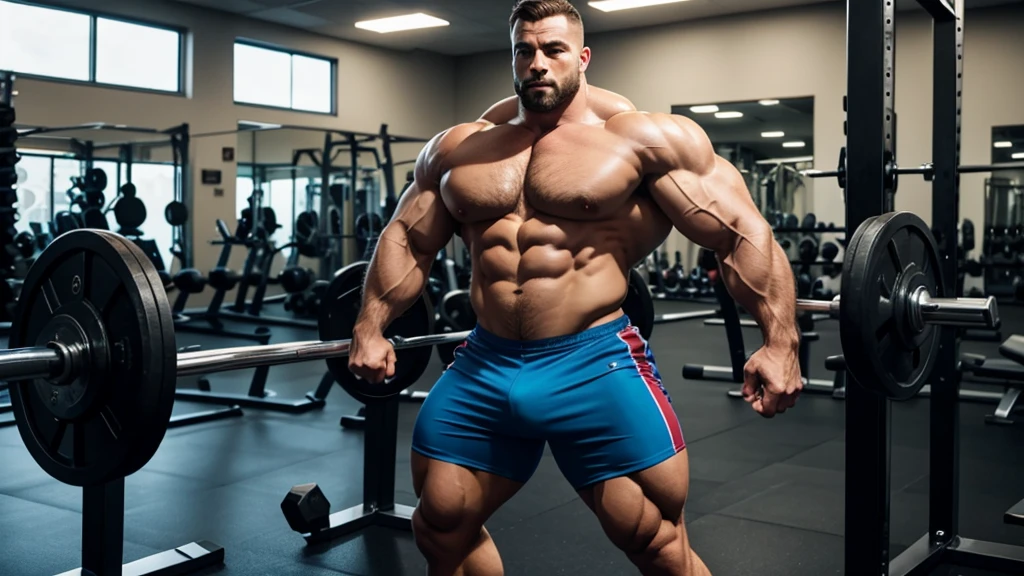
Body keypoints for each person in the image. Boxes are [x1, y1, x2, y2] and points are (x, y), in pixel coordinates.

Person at [347, 1, 803, 574]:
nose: (537, 63)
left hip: (592, 363)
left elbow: (740, 235)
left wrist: (781, 342)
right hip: (484, 363)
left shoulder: (642, 139)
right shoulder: (459, 148)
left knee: (655, 539)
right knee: (440, 526)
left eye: (553, 49)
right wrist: (369, 327)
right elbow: (407, 240)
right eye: (524, 50)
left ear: (582, 57)